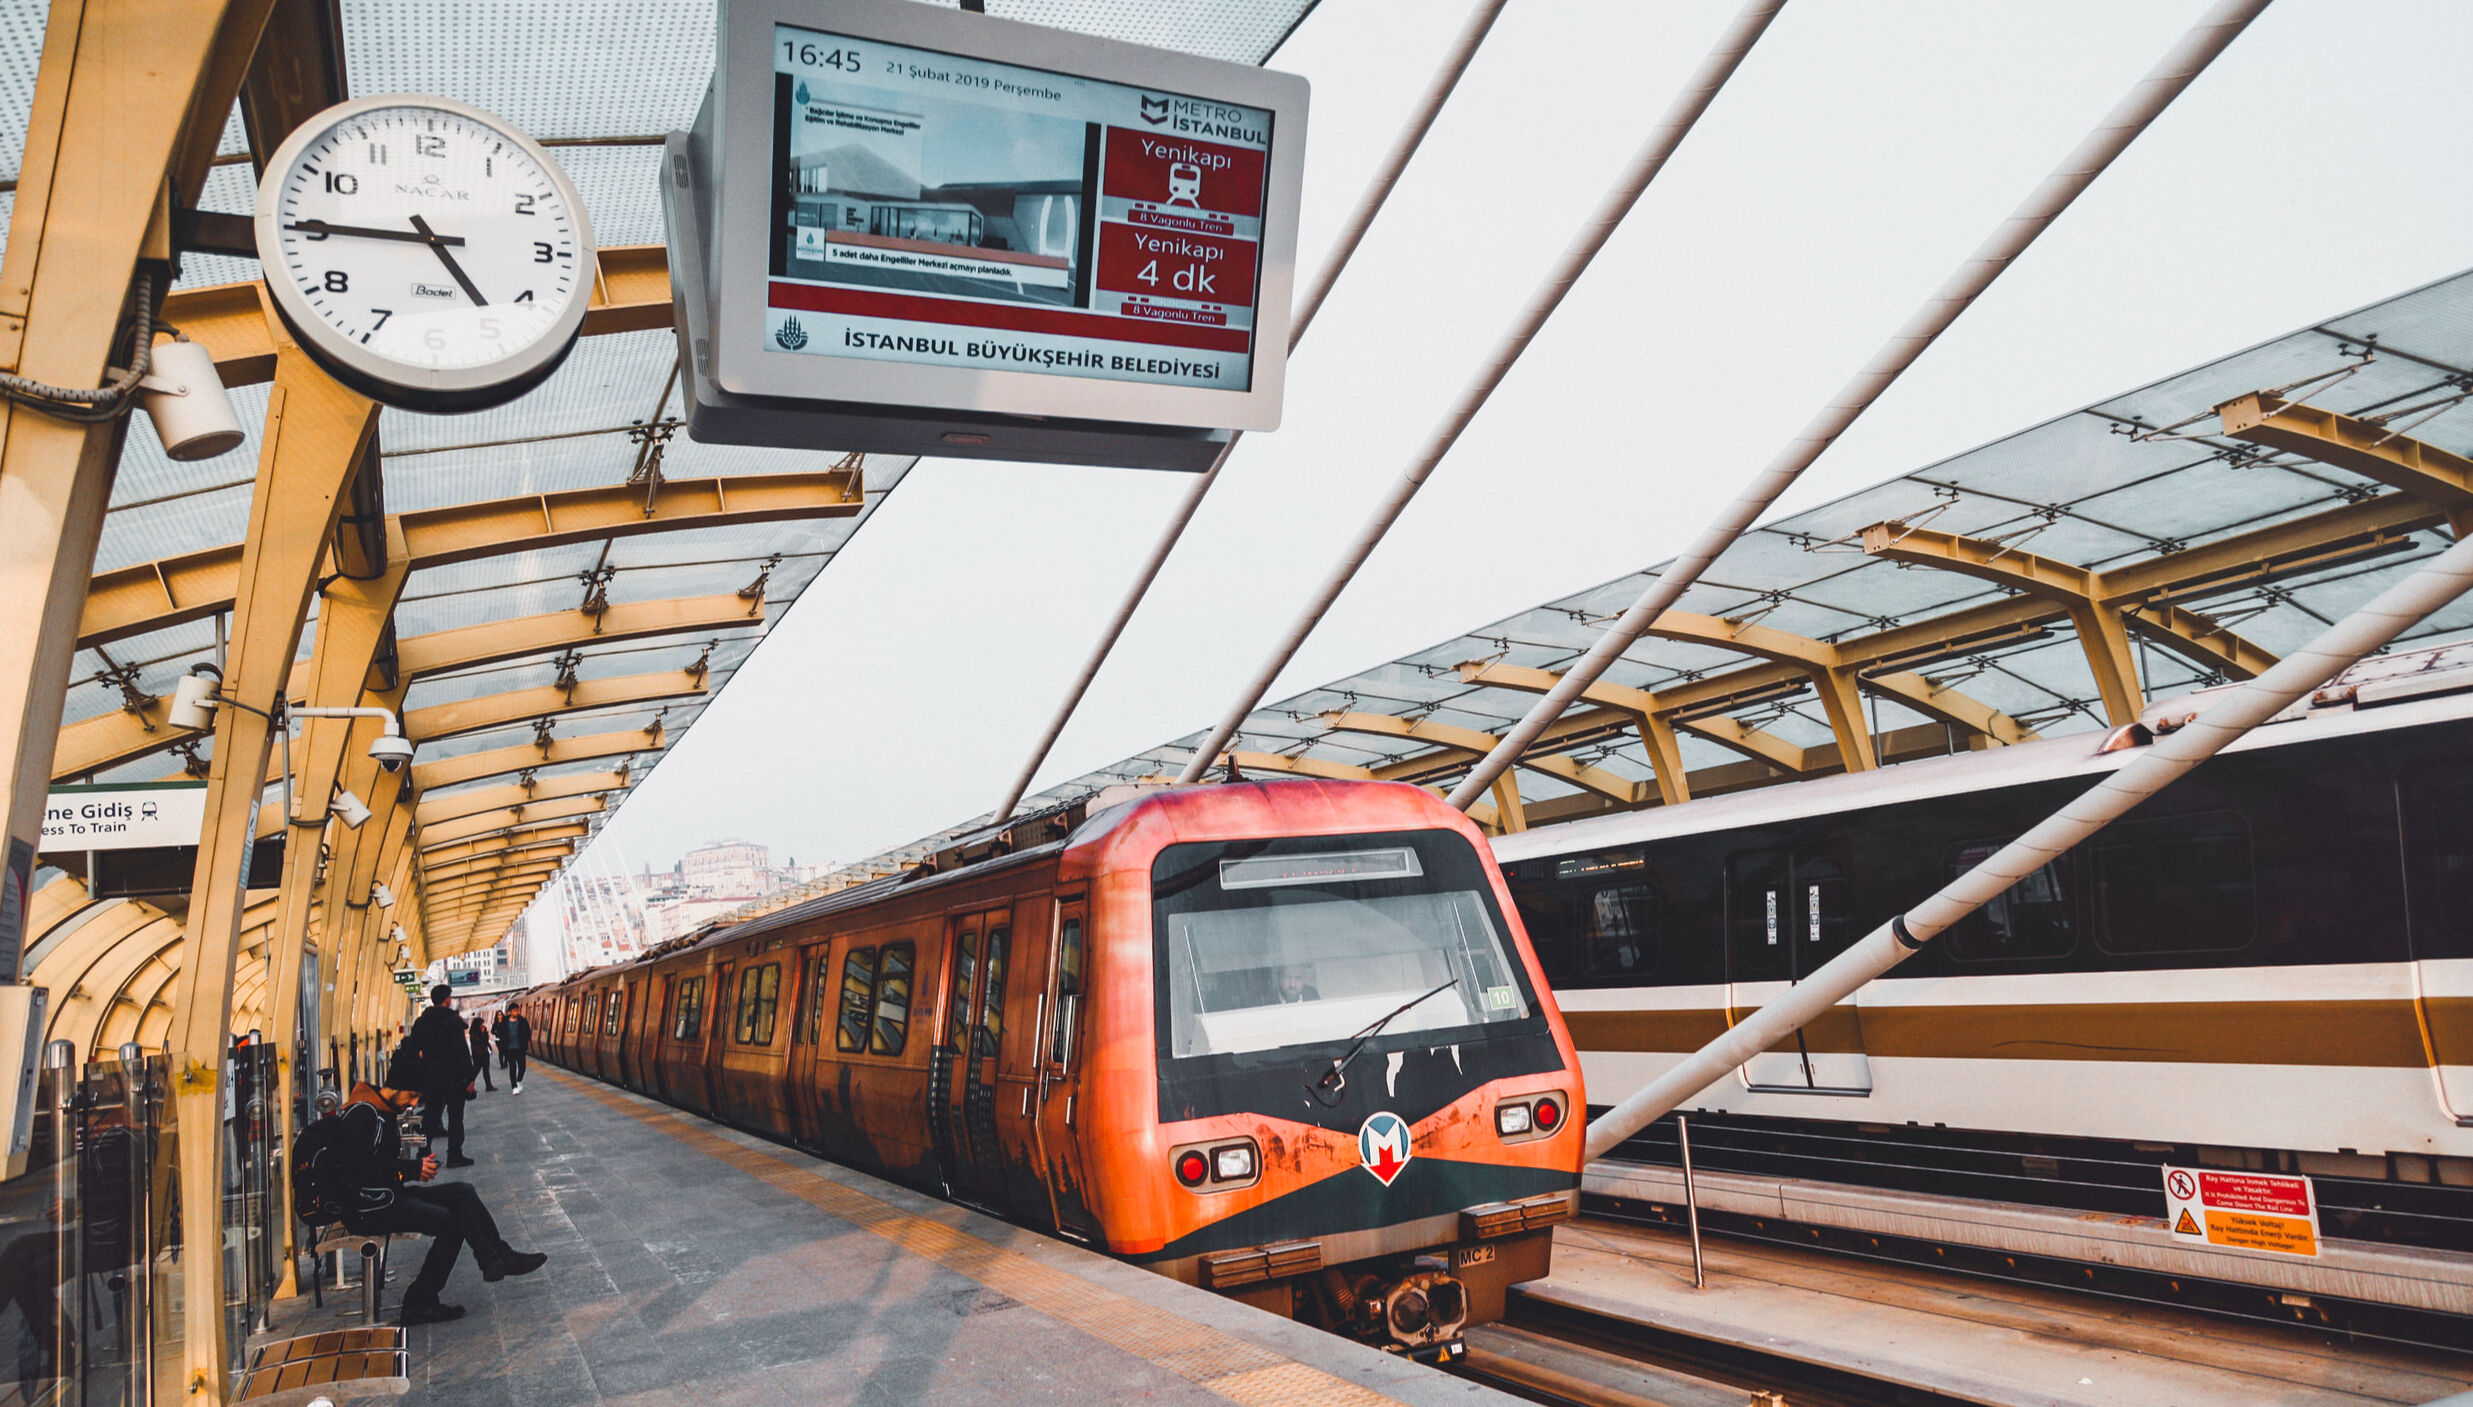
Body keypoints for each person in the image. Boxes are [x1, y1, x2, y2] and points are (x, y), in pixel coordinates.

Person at [327, 1076, 546, 1325]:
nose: (413, 1103)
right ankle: (420, 1301)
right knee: (450, 1222)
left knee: (461, 1191)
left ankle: (498, 1257)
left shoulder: (380, 1110)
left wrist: (415, 1166)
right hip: (367, 1208)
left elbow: (379, 1164)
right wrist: (411, 1170)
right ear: (394, 1087)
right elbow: (357, 1170)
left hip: (382, 1197)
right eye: (412, 1095)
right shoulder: (363, 1114)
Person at [400, 986, 475, 1167]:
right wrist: (470, 1077)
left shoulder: (421, 1022)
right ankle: (454, 1155)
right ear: (447, 1000)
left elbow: (412, 1051)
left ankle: (423, 1153)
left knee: (430, 1117)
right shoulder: (453, 1021)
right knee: (455, 1117)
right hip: (454, 1078)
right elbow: (462, 1052)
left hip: (431, 1078)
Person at [498, 1007, 530, 1094]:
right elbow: (501, 1033)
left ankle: (519, 1080)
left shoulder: (523, 1021)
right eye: (515, 1010)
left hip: (520, 1048)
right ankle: (514, 1087)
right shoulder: (504, 1022)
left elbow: (528, 1032)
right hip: (509, 1049)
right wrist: (503, 1045)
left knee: (522, 1067)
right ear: (510, 1012)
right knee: (512, 1068)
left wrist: (525, 1042)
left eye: (517, 1010)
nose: (516, 1012)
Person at [466, 1015, 494, 1092]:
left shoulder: (484, 1031)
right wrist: (482, 1033)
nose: (483, 1025)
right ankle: (469, 1085)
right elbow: (479, 1041)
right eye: (481, 1023)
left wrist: (485, 1033)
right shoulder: (473, 1033)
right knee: (476, 1070)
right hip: (477, 1054)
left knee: (486, 1070)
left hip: (484, 1053)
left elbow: (486, 1041)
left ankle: (489, 1085)